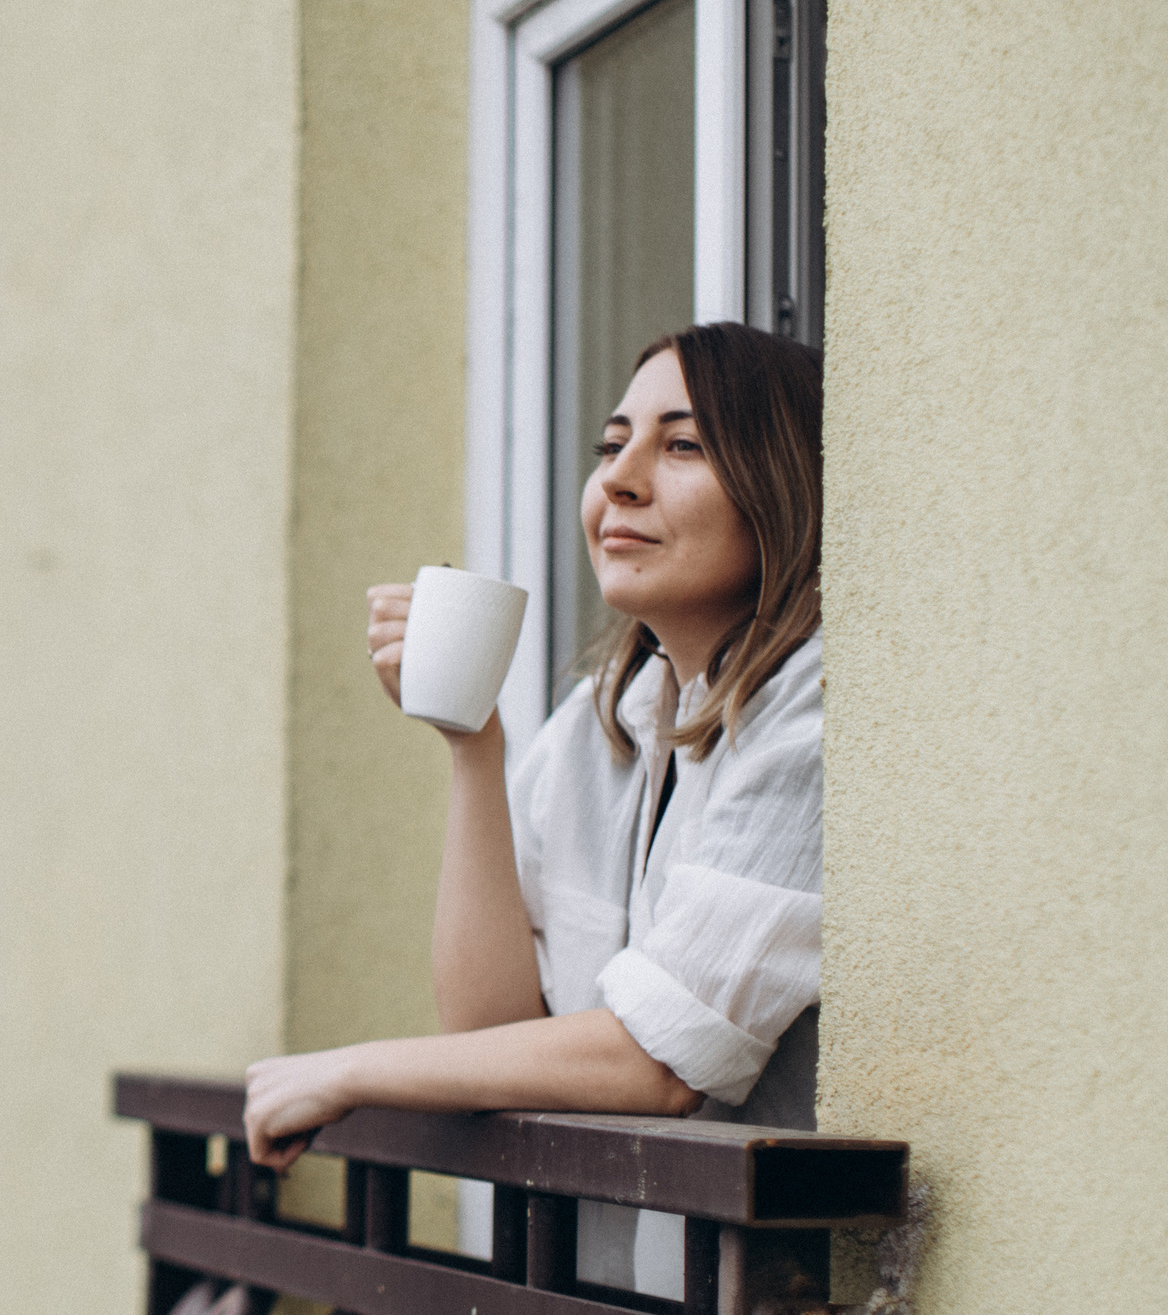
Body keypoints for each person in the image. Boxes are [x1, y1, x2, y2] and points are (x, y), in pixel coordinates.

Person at [244, 322, 824, 1173]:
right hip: (614, 1281)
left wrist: (351, 1070)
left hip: (774, 1296)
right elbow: (489, 1034)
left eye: (685, 446)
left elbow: (657, 1061)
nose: (619, 482)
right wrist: (473, 743)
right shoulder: (605, 722)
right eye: (612, 445)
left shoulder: (816, 715)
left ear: (782, 486)